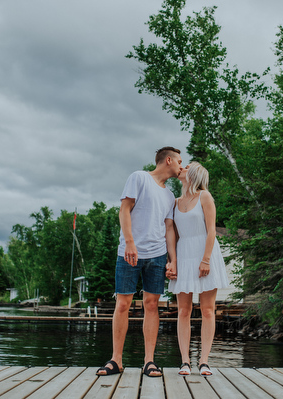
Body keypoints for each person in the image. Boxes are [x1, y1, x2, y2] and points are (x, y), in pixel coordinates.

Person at [96, 146, 183, 378]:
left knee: (152, 305)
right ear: (168, 160)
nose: (181, 166)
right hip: (129, 252)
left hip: (157, 255)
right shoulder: (139, 177)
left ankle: (149, 362)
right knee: (123, 304)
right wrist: (130, 242)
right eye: (179, 161)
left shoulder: (169, 196)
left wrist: (172, 260)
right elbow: (124, 210)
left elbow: (168, 229)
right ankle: (116, 360)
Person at [166, 162, 229, 376]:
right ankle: (185, 361)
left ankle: (204, 361)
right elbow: (172, 234)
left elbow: (212, 231)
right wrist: (171, 261)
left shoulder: (205, 196)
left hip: (205, 253)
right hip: (184, 254)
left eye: (187, 167)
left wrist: (206, 259)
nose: (181, 168)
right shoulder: (174, 202)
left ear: (193, 174)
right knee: (183, 310)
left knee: (207, 310)